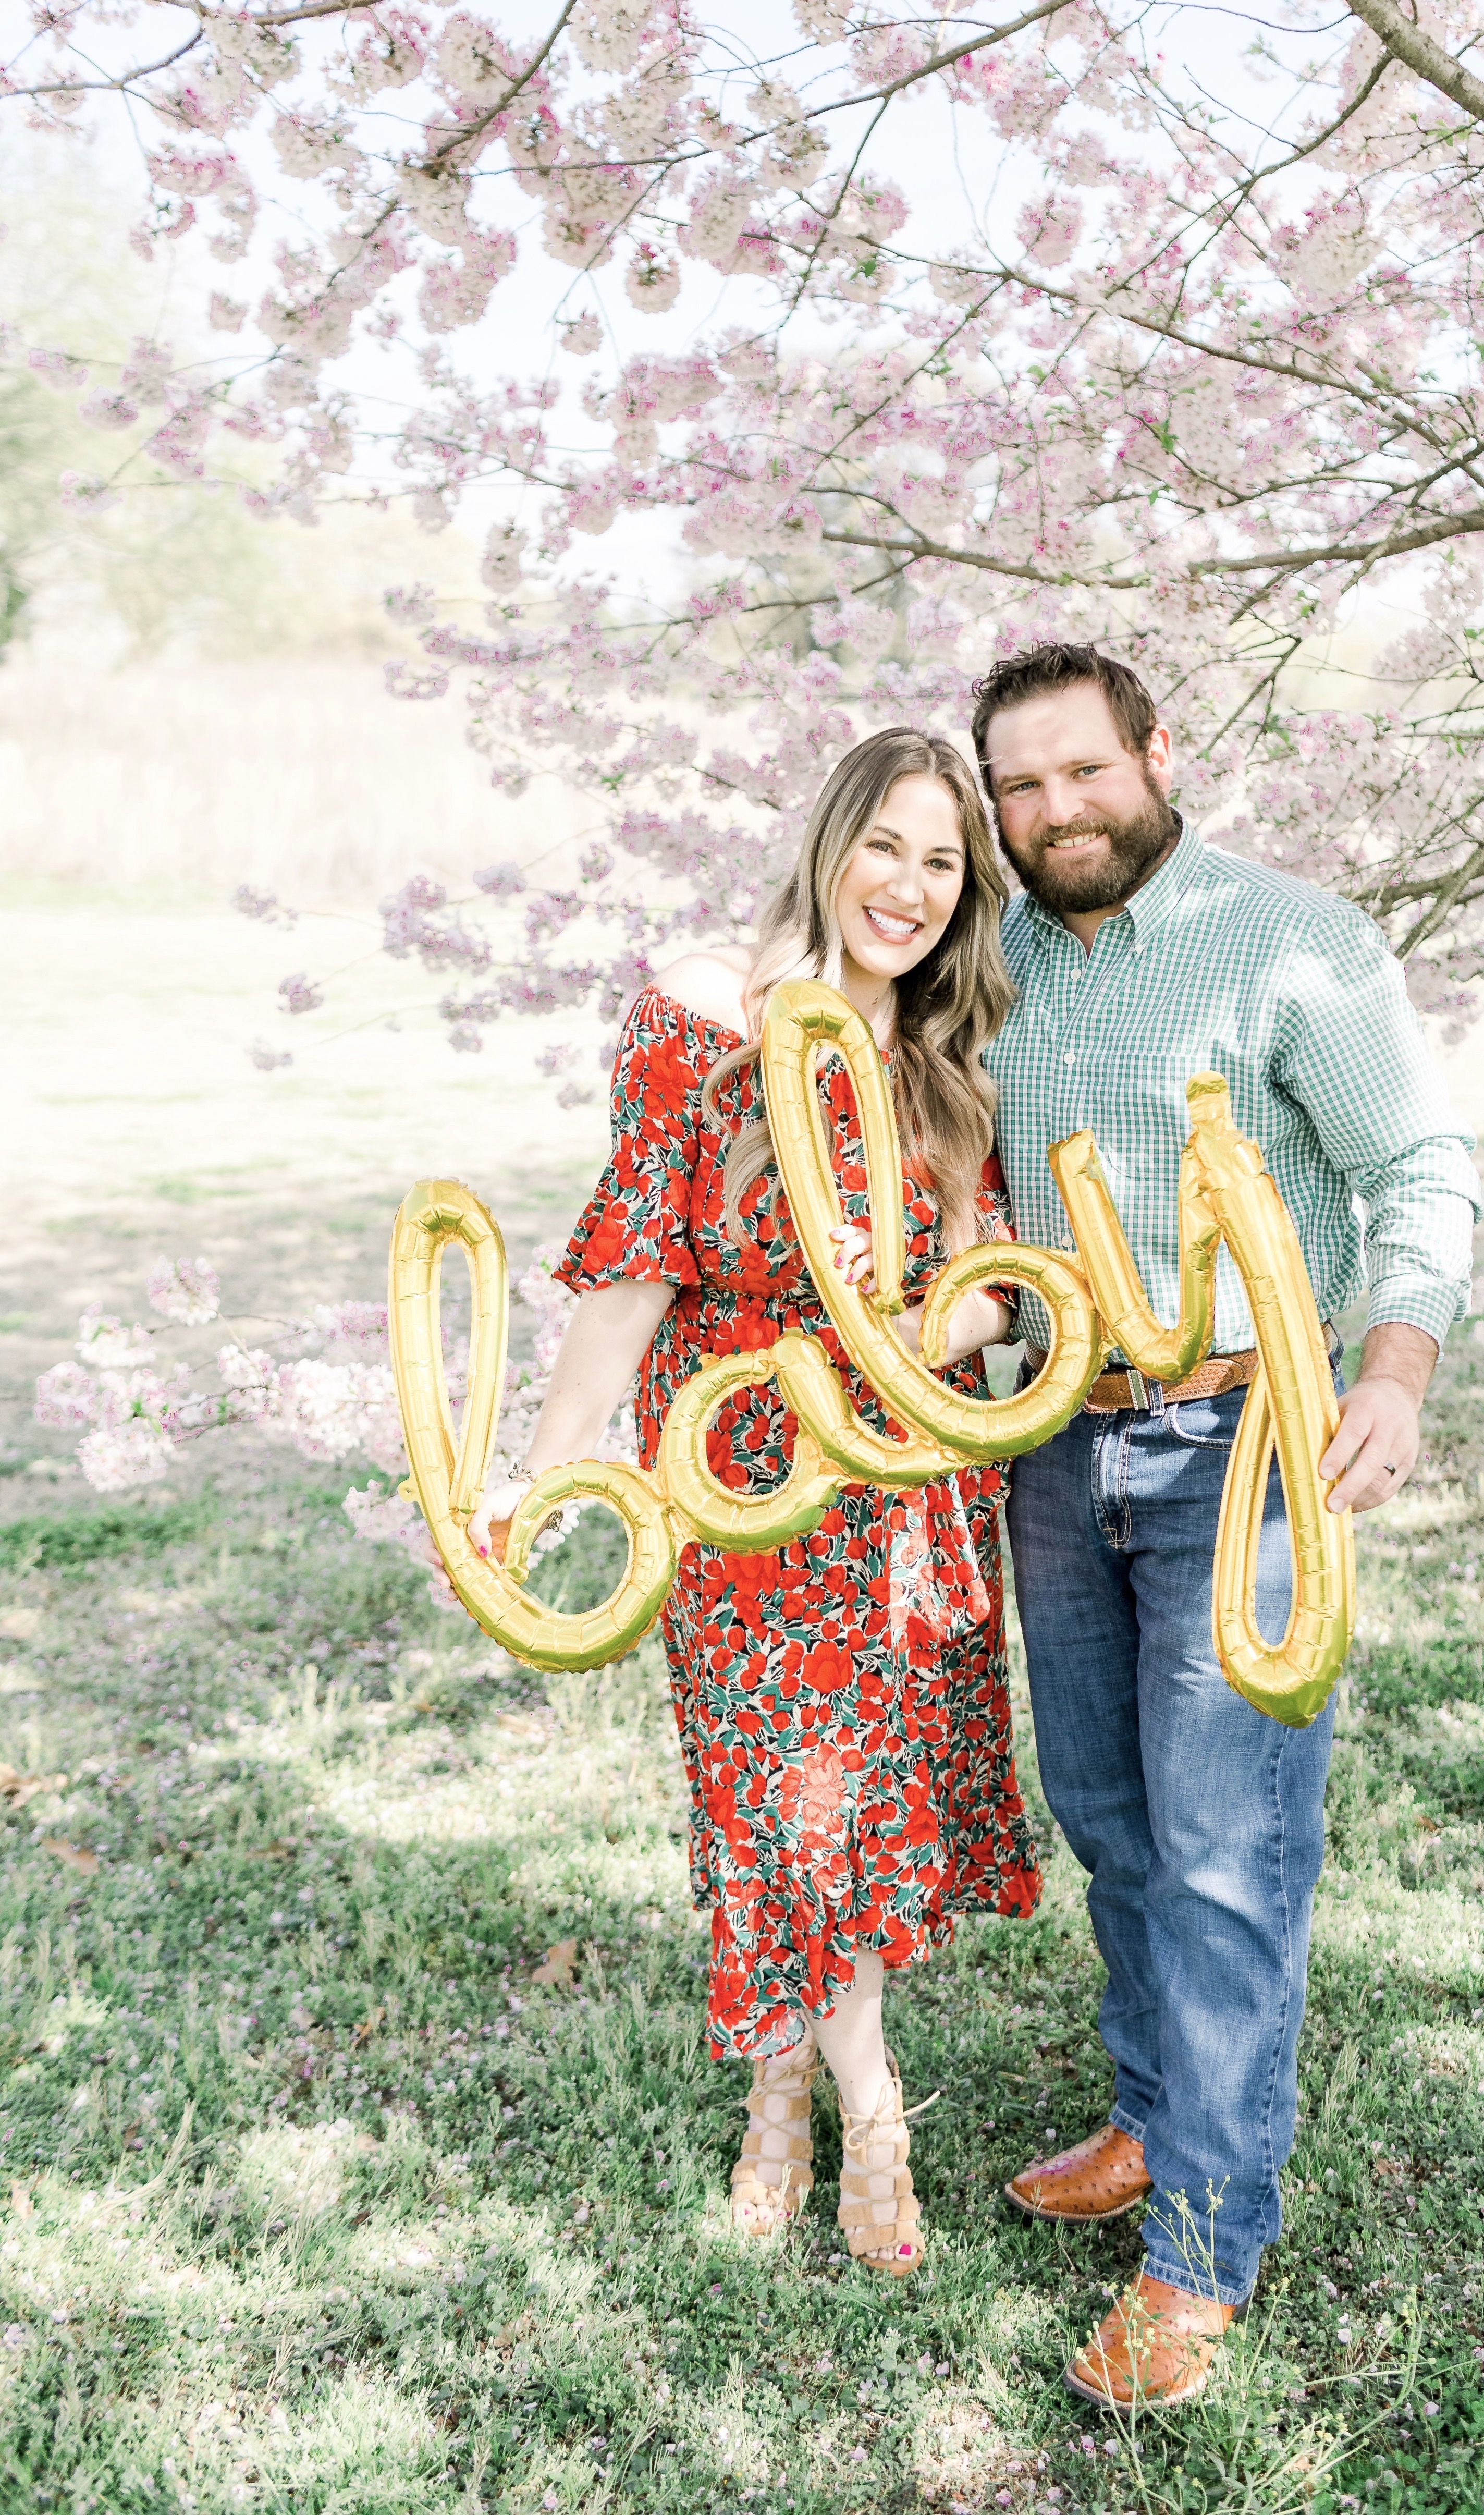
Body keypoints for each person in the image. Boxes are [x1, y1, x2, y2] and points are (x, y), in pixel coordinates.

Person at [973, 644, 1480, 2406]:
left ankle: (1198, 2250)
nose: (1054, 813)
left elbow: (1415, 1167)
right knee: (1108, 1815)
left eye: (1082, 774)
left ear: (1154, 755)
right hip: (1052, 1443)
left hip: (1245, 1444)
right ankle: (1147, 2110)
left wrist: (1394, 1374)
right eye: (1019, 790)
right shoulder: (996, 964)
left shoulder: (1290, 939)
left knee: (1224, 1849)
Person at [468, 727, 1034, 2277]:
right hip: (731, 1485)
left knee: (843, 1804)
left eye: (943, 863)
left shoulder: (943, 1070)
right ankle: (869, 2103)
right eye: (888, 846)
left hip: (897, 1496)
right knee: (770, 1791)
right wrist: (555, 1467)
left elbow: (998, 1285)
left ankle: (785, 2081)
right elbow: (631, 1278)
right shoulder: (702, 1032)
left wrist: (929, 1336)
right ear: (829, 843)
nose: (909, 888)